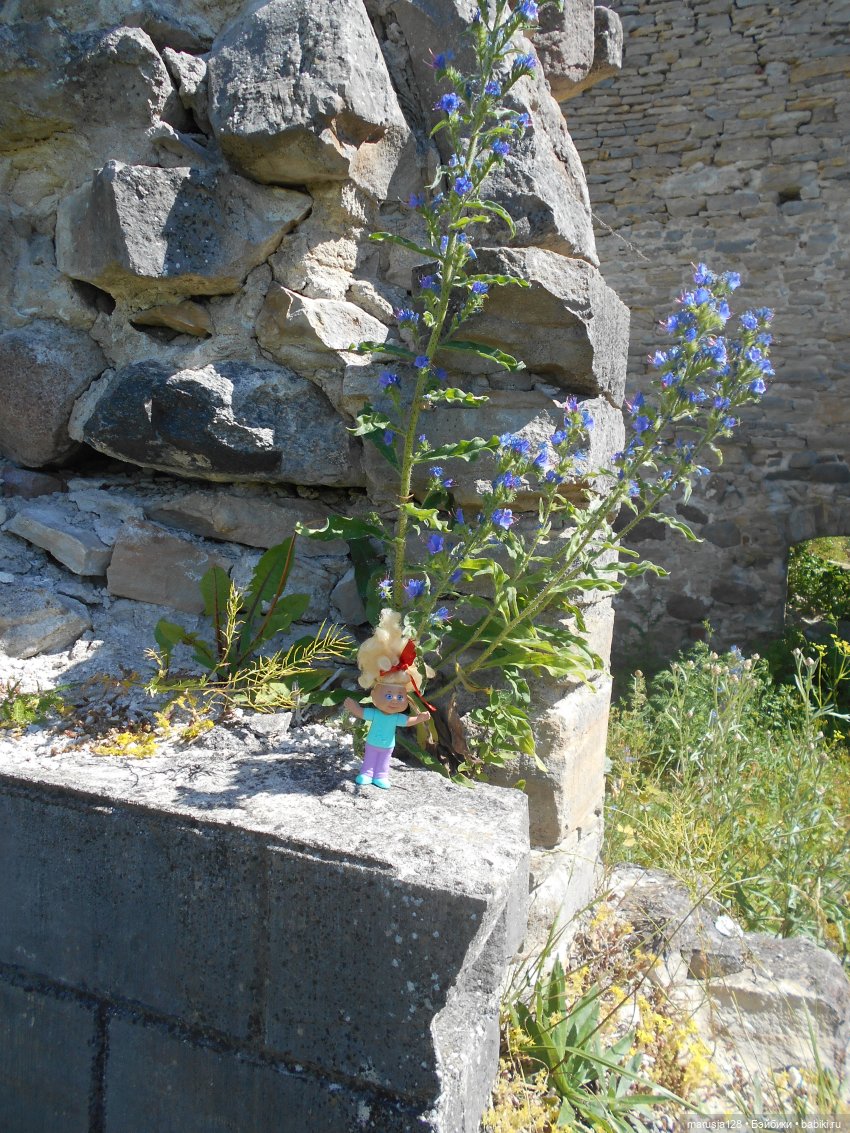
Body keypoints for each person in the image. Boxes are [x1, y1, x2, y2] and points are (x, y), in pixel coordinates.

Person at [343, 609, 430, 789]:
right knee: (370, 758)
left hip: (388, 745)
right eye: (389, 695)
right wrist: (352, 707)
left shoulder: (396, 717)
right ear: (374, 695)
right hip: (372, 743)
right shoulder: (375, 714)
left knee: (384, 760)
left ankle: (381, 775)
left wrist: (420, 718)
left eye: (400, 696)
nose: (394, 700)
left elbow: (407, 721)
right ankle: (367, 772)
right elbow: (361, 713)